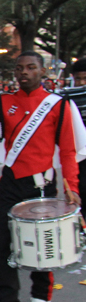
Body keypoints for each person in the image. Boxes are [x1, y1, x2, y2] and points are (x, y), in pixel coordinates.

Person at [0, 51, 83, 302]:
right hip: (11, 183)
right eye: (19, 68)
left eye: (31, 68)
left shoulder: (59, 105)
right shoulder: (4, 101)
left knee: (44, 241)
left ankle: (41, 296)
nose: (24, 73)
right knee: (5, 244)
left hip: (43, 183)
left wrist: (73, 187)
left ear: (43, 72)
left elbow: (67, 150)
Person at [60, 59, 86, 203]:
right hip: (78, 155)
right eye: (78, 79)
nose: (81, 83)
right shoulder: (67, 98)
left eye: (85, 79)